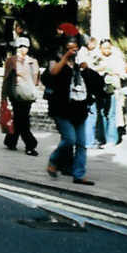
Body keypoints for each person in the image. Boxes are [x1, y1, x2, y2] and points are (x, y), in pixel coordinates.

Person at [42, 37, 104, 185]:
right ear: (64, 49)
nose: (73, 50)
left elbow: (93, 82)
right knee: (70, 139)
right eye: (69, 47)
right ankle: (53, 160)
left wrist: (86, 68)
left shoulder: (78, 65)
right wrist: (65, 58)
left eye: (75, 48)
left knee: (82, 144)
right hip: (62, 110)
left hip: (79, 109)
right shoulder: (57, 61)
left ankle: (79, 174)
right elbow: (53, 73)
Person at [1, 37, 40, 155]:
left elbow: (7, 79)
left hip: (24, 95)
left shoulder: (29, 61)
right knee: (22, 119)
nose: (23, 49)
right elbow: (7, 79)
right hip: (20, 95)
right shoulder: (15, 61)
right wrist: (3, 96)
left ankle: (14, 141)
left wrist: (3, 96)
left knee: (20, 119)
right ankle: (28, 144)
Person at [96, 38, 127, 146]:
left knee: (112, 113)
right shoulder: (97, 58)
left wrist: (112, 71)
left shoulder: (116, 58)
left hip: (113, 88)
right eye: (104, 48)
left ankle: (111, 139)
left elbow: (122, 72)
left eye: (108, 48)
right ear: (100, 48)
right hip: (100, 88)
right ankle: (102, 137)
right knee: (101, 113)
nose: (106, 50)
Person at [77, 37, 101, 148]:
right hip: (87, 90)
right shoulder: (82, 54)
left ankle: (88, 139)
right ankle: (89, 141)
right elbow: (85, 67)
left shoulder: (84, 53)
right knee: (91, 116)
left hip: (85, 89)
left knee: (88, 116)